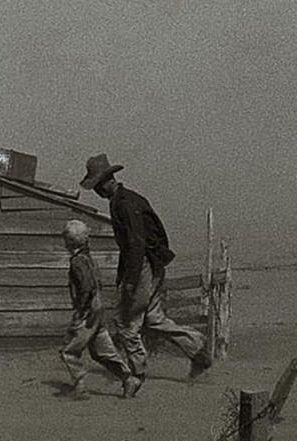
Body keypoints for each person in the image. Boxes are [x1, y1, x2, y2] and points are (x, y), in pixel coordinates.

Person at [79, 154, 211, 396]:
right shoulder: (123, 199)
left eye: (97, 185)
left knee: (126, 324)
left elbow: (136, 244)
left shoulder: (125, 204)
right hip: (148, 264)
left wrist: (129, 282)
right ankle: (197, 349)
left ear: (107, 180)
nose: (97, 191)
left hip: (143, 266)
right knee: (154, 319)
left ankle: (137, 375)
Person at [59, 219, 133, 399]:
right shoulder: (90, 259)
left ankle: (80, 386)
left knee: (69, 350)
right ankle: (128, 378)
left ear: (69, 241)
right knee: (102, 351)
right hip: (99, 310)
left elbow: (85, 287)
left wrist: (82, 309)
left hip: (88, 312)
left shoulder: (77, 262)